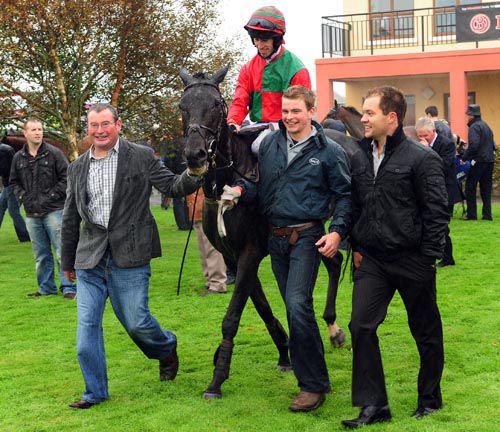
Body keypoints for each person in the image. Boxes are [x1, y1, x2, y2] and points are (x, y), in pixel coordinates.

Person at [61, 103, 204, 409]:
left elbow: (172, 186)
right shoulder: (76, 168)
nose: (99, 131)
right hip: (90, 260)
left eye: (105, 124)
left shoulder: (140, 156)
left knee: (137, 323)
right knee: (87, 329)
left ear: (118, 124)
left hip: (130, 255)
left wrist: (194, 172)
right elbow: (71, 217)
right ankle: (94, 393)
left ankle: (166, 348)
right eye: (93, 125)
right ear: (87, 128)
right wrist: (66, 263)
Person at [225, 85, 351, 412]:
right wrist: (241, 189)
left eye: (296, 111)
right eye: (285, 111)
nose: (289, 117)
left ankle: (313, 386)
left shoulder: (328, 152)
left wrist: (337, 232)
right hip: (275, 238)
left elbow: (346, 196)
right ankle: (313, 377)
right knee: (296, 309)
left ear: (310, 111)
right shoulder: (269, 144)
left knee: (297, 305)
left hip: (307, 237)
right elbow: (259, 184)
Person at [342, 86, 448, 428]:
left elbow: (436, 212)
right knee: (360, 325)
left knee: (425, 331)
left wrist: (427, 258)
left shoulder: (421, 158)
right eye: (363, 111)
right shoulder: (358, 155)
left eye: (370, 112)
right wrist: (356, 246)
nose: (363, 119)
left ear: (391, 118)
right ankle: (375, 407)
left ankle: (429, 398)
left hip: (412, 258)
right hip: (372, 259)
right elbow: (355, 204)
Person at [227, 6, 311, 152]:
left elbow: (301, 111)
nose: (259, 45)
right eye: (256, 39)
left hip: (287, 127)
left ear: (277, 39)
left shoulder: (297, 70)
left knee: (258, 146)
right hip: (256, 125)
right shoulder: (248, 68)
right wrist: (233, 121)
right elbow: (239, 101)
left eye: (265, 40)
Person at [9, 119, 76, 298]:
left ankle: (69, 287)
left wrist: (50, 197)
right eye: (33, 129)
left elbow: (66, 178)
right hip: (31, 213)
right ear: (25, 133)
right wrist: (23, 197)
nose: (38, 132)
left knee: (62, 251)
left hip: (54, 210)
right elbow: (13, 183)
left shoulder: (54, 153)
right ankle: (46, 288)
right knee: (40, 254)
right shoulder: (18, 158)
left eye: (40, 129)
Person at [415, 117, 457, 267]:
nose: (422, 139)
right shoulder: (417, 144)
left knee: (442, 225)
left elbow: (444, 166)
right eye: (419, 136)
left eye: (425, 135)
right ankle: (429, 255)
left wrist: (428, 151)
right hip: (427, 189)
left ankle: (448, 258)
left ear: (433, 131)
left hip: (445, 189)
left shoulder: (447, 144)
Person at [186, 188, 227, 294]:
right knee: (203, 249)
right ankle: (211, 279)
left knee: (211, 248)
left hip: (208, 209)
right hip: (197, 210)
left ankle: (218, 282)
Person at [461, 104, 496, 221]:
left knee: (470, 186)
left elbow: (474, 145)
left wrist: (464, 158)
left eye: (468, 115)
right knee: (486, 188)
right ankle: (487, 215)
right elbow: (493, 145)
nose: (467, 117)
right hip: (489, 160)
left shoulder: (474, 127)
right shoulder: (486, 126)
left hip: (478, 161)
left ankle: (471, 214)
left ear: (472, 116)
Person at [0, 143, 30, 242]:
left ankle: (25, 236)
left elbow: (5, 169)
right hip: (8, 184)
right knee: (3, 209)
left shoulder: (3, 150)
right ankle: (24, 236)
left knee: (13, 211)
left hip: (11, 184)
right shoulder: (6, 149)